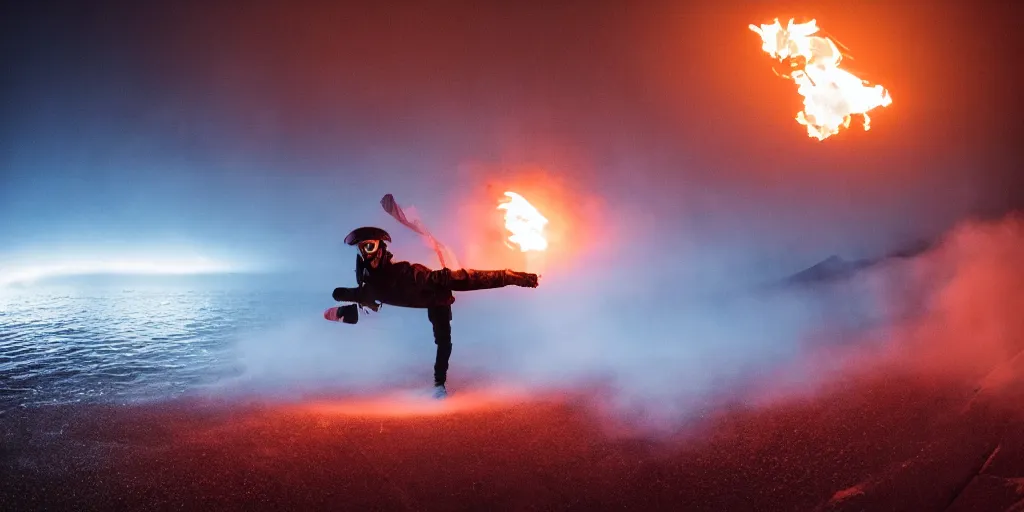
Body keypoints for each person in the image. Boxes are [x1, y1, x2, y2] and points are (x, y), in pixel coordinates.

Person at [325, 226, 539, 399]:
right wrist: (346, 301)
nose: (364, 253)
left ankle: (439, 384)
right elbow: (366, 296)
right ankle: (350, 314)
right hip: (395, 299)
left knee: (443, 341)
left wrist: (509, 277)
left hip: (437, 299)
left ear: (380, 248)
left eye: (369, 246)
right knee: (362, 302)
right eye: (360, 249)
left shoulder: (411, 275)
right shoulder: (370, 282)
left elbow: (463, 278)